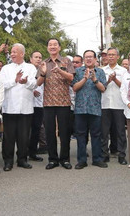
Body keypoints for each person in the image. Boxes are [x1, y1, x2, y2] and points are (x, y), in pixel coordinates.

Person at [36, 38, 75, 170]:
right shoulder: (44, 63)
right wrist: (43, 72)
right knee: (49, 132)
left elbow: (71, 78)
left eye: (55, 44)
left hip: (64, 102)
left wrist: (60, 71)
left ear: (59, 47)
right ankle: (53, 159)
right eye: (50, 44)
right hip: (48, 102)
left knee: (64, 132)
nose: (52, 46)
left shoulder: (66, 61)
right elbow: (39, 83)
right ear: (47, 48)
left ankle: (65, 159)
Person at [0, 44, 37, 171]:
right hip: (9, 107)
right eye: (11, 52)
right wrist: (15, 81)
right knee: (8, 137)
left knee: (24, 136)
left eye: (15, 52)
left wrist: (25, 82)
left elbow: (34, 84)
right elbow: (2, 85)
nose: (12, 54)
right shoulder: (6, 68)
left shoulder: (30, 67)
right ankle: (8, 161)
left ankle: (22, 159)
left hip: (25, 108)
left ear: (22, 54)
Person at [72, 50, 108, 169]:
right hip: (80, 109)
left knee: (96, 135)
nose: (88, 59)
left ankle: (97, 159)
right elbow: (75, 88)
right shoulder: (77, 71)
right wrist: (84, 78)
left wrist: (94, 79)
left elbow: (103, 88)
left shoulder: (101, 71)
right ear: (83, 59)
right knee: (81, 135)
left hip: (95, 108)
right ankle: (82, 160)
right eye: (86, 57)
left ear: (95, 59)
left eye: (90, 57)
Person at [101, 47, 127, 165]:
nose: (110, 57)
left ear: (118, 56)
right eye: (108, 55)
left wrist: (115, 79)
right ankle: (104, 154)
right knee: (104, 132)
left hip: (119, 104)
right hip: (104, 104)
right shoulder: (101, 70)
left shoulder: (123, 71)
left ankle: (122, 155)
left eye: (113, 55)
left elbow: (125, 87)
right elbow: (100, 86)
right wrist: (108, 81)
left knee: (120, 131)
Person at [28, 51, 45, 162]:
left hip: (39, 105)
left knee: (36, 130)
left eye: (40, 57)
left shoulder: (44, 70)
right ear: (31, 59)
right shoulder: (27, 69)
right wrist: (32, 91)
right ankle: (22, 153)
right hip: (27, 105)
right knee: (25, 131)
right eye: (36, 57)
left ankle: (33, 153)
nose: (38, 59)